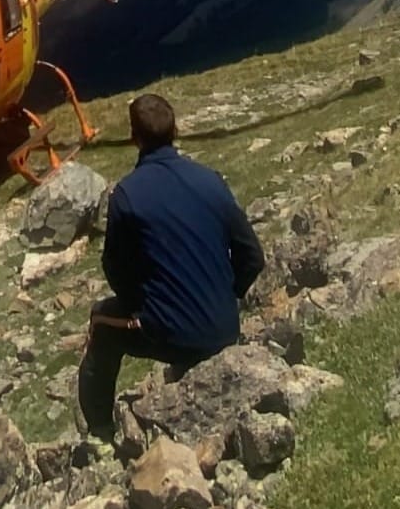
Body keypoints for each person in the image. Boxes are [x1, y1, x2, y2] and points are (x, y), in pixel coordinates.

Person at [77, 92, 265, 442]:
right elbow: (253, 257)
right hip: (226, 327)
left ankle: (99, 432)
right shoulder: (211, 180)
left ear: (134, 138)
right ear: (176, 130)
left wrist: (142, 305)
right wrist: (227, 295)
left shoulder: (127, 196)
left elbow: (115, 269)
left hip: (173, 334)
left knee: (101, 321)